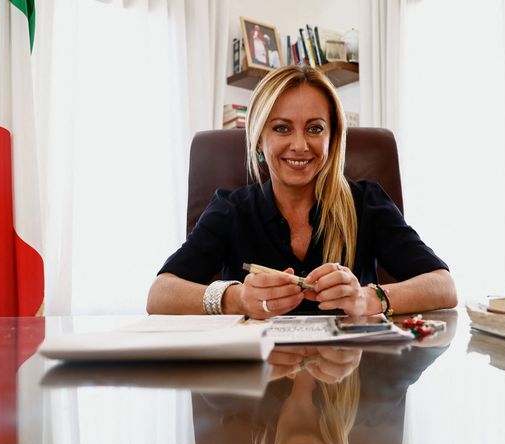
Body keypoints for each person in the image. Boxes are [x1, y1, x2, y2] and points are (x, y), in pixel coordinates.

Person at [146, 64, 457, 319]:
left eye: (314, 128)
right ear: (258, 139)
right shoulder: (231, 210)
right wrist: (236, 298)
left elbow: (443, 286)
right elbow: (160, 293)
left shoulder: (366, 202)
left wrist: (368, 298)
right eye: (281, 128)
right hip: (257, 383)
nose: (299, 145)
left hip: (349, 383)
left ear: (332, 138)